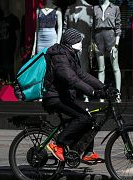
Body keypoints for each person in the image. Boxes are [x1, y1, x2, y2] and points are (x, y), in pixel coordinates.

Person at [42, 28, 106, 162]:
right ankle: (57, 144)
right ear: (71, 42)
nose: (81, 43)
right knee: (83, 117)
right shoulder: (59, 57)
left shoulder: (69, 54)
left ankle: (87, 152)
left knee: (89, 117)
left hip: (63, 96)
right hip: (55, 97)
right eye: (79, 41)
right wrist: (92, 92)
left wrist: (103, 87)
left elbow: (82, 75)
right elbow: (71, 79)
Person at [64, 0, 93, 103]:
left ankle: (86, 95)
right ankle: (72, 94)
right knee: (70, 70)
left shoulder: (90, 8)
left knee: (84, 70)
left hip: (83, 44)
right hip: (70, 46)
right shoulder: (69, 9)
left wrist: (91, 44)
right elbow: (65, 27)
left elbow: (92, 29)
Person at [93, 0, 122, 102]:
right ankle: (102, 94)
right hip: (98, 37)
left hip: (111, 37)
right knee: (101, 68)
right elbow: (93, 27)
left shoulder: (115, 8)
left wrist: (116, 45)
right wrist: (93, 42)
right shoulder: (95, 8)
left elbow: (118, 27)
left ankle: (118, 94)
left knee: (115, 67)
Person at [0, 0, 20, 81]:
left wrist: (16, 51)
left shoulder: (14, 19)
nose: (1, 4)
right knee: (2, 74)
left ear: (7, 3)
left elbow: (18, 36)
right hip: (0, 50)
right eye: (0, 2)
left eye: (3, 2)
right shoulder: (0, 20)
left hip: (10, 50)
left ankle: (12, 91)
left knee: (11, 73)